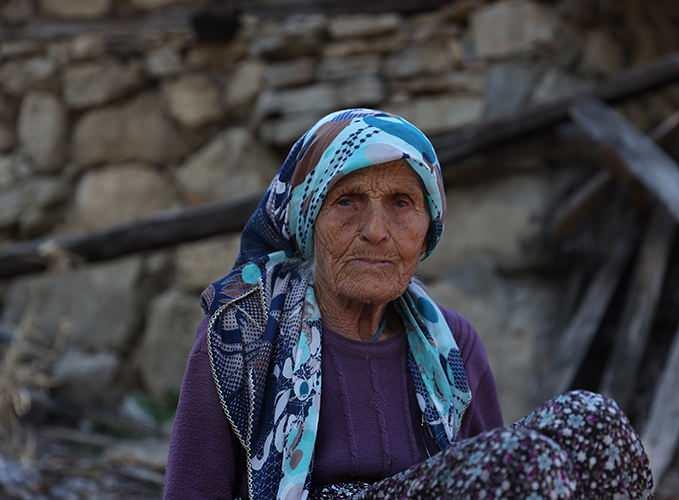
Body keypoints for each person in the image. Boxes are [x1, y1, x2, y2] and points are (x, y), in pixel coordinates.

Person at [164, 108, 653, 499]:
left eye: (401, 203)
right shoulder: (244, 334)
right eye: (347, 201)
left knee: (595, 422)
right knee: (527, 461)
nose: (376, 231)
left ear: (426, 232)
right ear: (308, 224)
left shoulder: (450, 343)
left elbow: (487, 470)